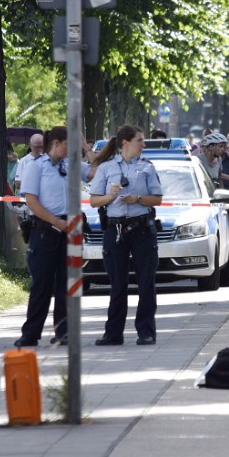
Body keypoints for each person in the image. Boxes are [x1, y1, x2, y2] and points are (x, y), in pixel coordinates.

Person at [14, 127, 90, 347]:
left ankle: (63, 332)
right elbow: (31, 201)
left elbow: (95, 172)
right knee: (42, 285)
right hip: (45, 231)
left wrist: (86, 147)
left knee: (67, 285)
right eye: (69, 144)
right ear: (56, 143)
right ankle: (31, 334)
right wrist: (57, 223)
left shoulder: (71, 166)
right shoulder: (36, 167)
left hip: (69, 232)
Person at [89, 125, 163, 346]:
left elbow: (157, 198)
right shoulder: (106, 168)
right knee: (118, 284)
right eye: (139, 140)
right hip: (116, 229)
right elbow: (94, 201)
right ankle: (113, 333)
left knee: (146, 282)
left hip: (142, 229)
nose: (143, 144)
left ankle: (146, 331)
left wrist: (138, 199)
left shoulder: (147, 167)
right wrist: (110, 196)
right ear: (125, 143)